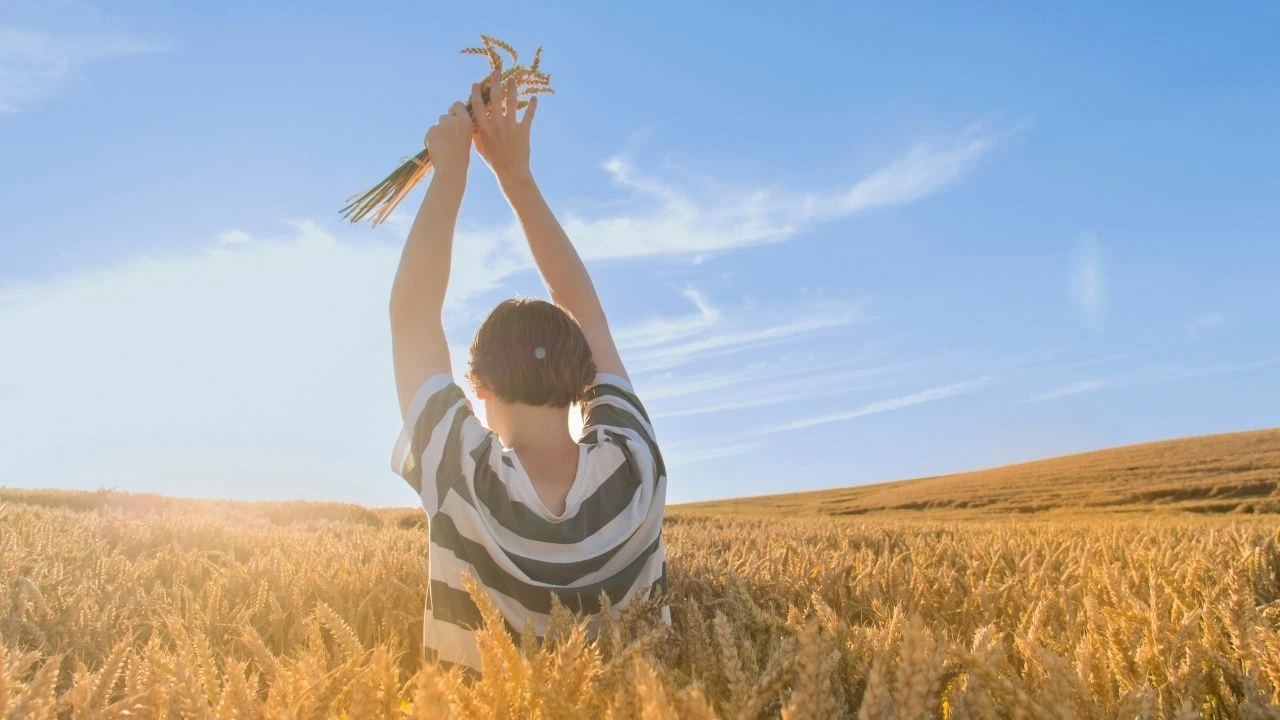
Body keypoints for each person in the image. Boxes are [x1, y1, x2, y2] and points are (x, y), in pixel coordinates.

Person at [387, 71, 669, 675]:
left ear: (478, 387)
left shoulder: (459, 470)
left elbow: (412, 314)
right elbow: (582, 302)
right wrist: (515, 176)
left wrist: (450, 174)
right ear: (583, 381)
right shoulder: (634, 465)